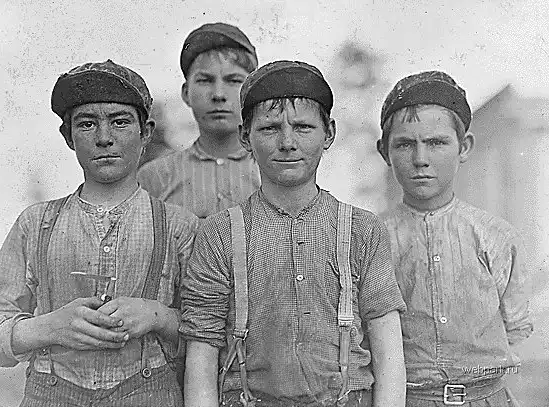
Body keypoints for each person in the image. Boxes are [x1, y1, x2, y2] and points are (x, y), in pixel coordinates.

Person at [0, 59, 198, 407]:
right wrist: (52, 326)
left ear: (146, 132)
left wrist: (157, 315)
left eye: (120, 122)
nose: (104, 138)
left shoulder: (179, 227)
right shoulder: (35, 223)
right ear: (68, 137)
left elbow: (211, 333)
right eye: (87, 124)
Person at [181, 60, 407, 407]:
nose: (287, 143)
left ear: (329, 133)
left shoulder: (362, 229)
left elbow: (388, 350)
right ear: (245, 136)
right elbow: (201, 352)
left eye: (303, 127)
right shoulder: (220, 233)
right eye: (270, 128)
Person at [377, 71, 533, 406]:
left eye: (436, 143)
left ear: (464, 147)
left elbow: (516, 326)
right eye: (405, 144)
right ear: (384, 152)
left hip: (487, 398)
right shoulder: (372, 239)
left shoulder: (495, 236)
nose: (421, 159)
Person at [138, 22, 261, 220]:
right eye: (204, 80)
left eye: (234, 81)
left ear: (251, 92)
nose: (218, 94)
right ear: (186, 93)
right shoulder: (155, 177)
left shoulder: (273, 172)